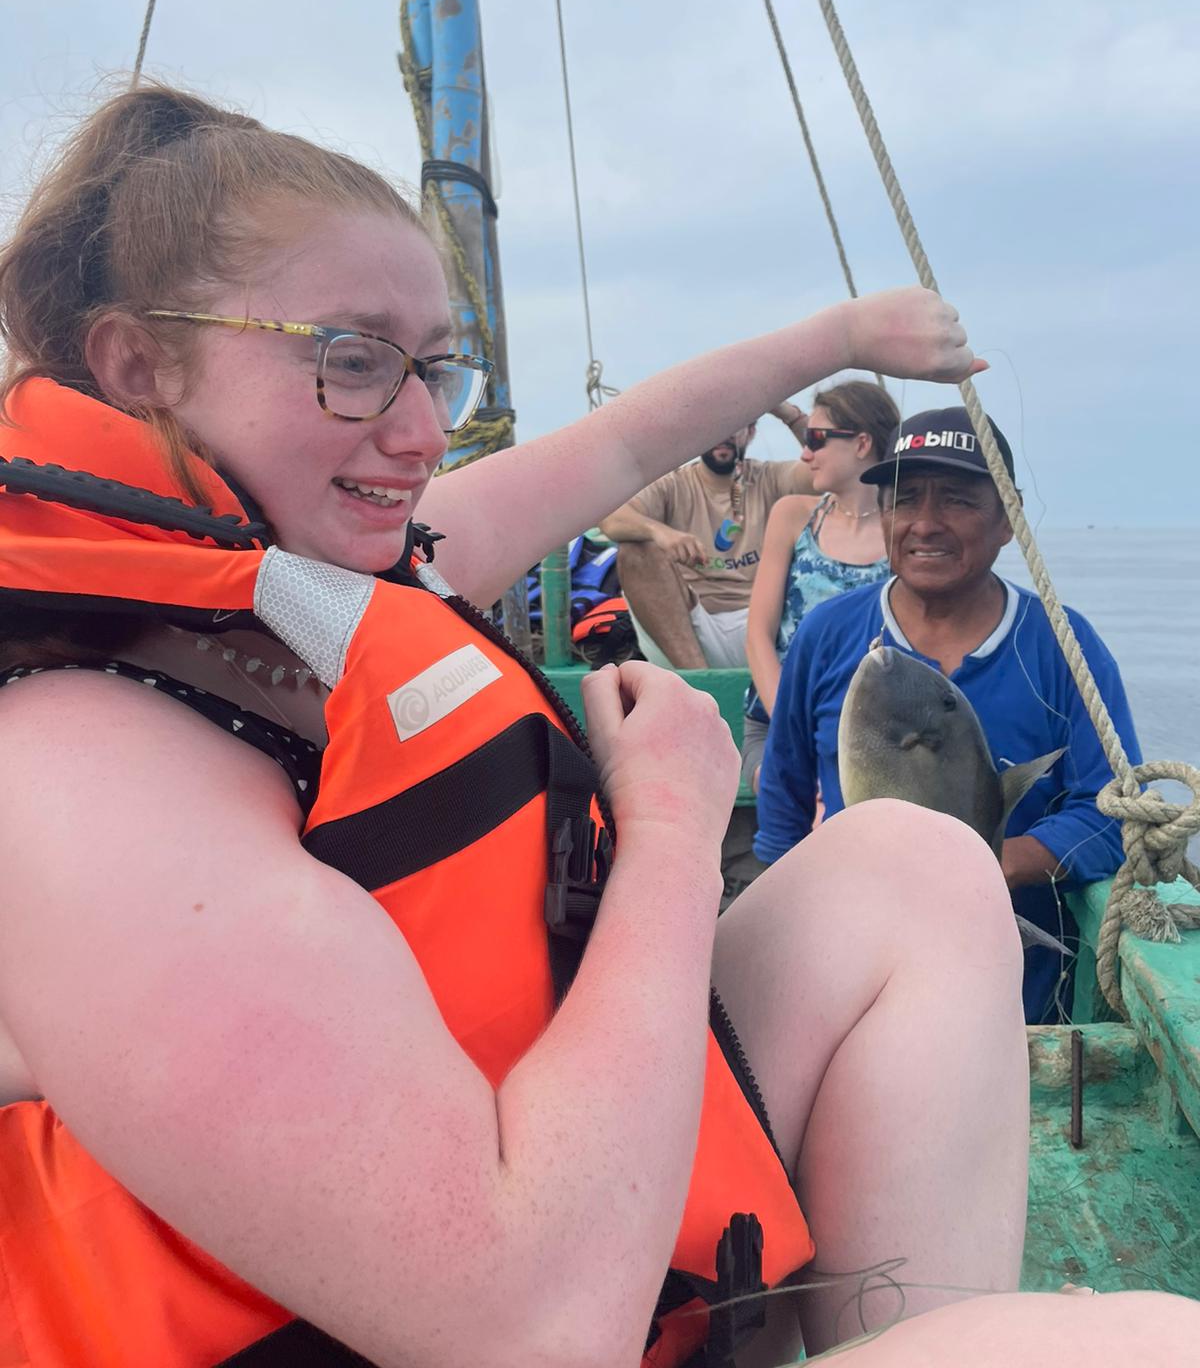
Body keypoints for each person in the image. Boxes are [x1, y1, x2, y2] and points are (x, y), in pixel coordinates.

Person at [0, 86, 1188, 1368]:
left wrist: (844, 334)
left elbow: (625, 435)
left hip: (564, 1164)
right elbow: (530, 1334)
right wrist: (675, 824)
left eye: (432, 367)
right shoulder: (87, 772)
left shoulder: (334, 582)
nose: (414, 430)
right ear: (137, 365)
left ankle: (918, 1332)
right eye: (348, 358)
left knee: (920, 865)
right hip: (511, 1310)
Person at [753, 406, 1136, 1024]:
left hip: (1015, 998)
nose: (925, 524)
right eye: (905, 501)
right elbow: (784, 797)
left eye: (957, 501)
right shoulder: (828, 634)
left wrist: (993, 865)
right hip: (850, 981)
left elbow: (1112, 811)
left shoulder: (1063, 645)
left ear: (1007, 520)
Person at [741, 379, 899, 792]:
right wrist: (794, 726)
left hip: (877, 738)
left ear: (862, 443)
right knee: (798, 802)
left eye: (816, 439)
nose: (805, 453)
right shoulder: (792, 516)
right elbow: (758, 636)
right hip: (779, 725)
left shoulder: (906, 532)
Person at [597, 406, 810, 669]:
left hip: (769, 629)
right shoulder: (674, 484)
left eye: (734, 425)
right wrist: (660, 532)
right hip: (691, 636)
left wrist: (788, 413)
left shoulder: (772, 478)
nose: (723, 435)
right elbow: (611, 518)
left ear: (751, 432)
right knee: (636, 552)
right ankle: (700, 684)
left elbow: (828, 470)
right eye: (713, 427)